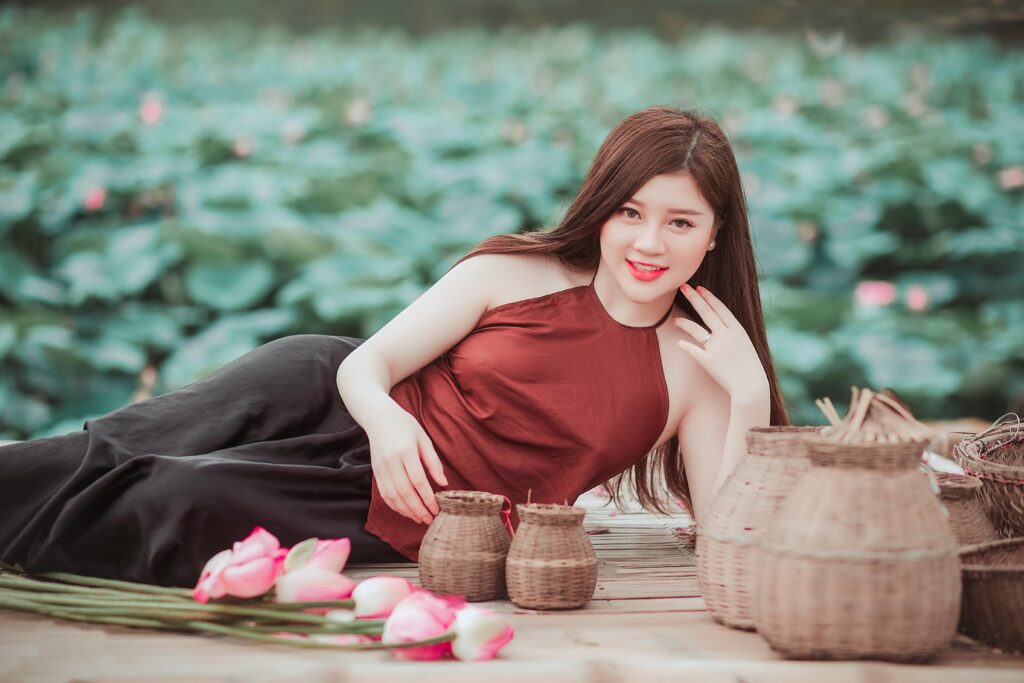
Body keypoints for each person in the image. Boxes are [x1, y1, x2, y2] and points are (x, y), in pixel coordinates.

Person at [0, 105, 787, 587]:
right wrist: (384, 421)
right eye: (630, 213)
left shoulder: (699, 363)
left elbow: (725, 538)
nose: (649, 242)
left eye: (680, 221)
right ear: (602, 211)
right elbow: (364, 363)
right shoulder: (518, 271)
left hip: (420, 509)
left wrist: (748, 394)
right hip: (333, 397)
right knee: (116, 443)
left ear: (716, 232)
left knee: (172, 499)